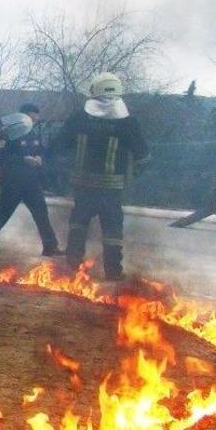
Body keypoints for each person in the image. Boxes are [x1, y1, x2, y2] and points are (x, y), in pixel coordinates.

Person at [50, 73, 148, 281]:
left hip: (83, 186)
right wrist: (131, 179)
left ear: (95, 90)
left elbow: (58, 146)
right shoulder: (128, 123)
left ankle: (71, 269)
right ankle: (113, 273)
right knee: (112, 232)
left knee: (78, 226)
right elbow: (143, 156)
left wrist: (65, 171)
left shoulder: (79, 117)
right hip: (112, 190)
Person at [0, 103, 61, 256]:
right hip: (13, 180)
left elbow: (41, 151)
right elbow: (3, 157)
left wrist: (40, 157)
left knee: (41, 211)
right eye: (32, 119)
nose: (34, 123)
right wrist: (23, 159)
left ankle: (50, 246)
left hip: (31, 181)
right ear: (23, 117)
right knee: (4, 211)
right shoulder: (9, 134)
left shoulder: (34, 134)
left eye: (36, 120)